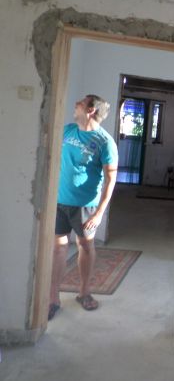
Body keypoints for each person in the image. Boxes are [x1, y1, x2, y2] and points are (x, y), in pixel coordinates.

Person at [48, 94, 118, 320]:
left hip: (85, 206)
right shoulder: (67, 131)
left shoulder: (105, 142)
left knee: (85, 247)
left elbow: (111, 180)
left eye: (80, 102)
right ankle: (52, 298)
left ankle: (84, 292)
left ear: (90, 110)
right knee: (58, 248)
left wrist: (99, 213)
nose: (75, 103)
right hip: (59, 202)